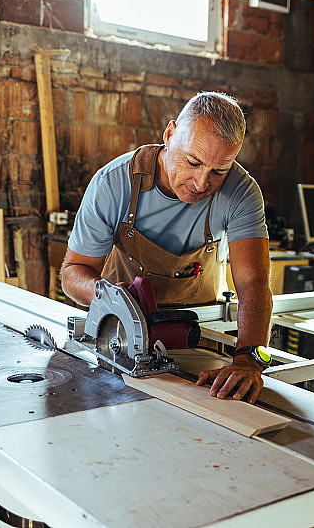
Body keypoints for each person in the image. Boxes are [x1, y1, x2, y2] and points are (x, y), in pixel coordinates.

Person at [61, 91, 272, 403]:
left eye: (218, 172)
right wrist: (108, 295)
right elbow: (73, 272)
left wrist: (248, 360)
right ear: (170, 134)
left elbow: (253, 282)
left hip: (198, 345)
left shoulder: (242, 193)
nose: (201, 183)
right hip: (121, 344)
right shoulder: (113, 184)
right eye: (193, 162)